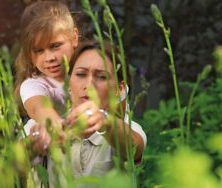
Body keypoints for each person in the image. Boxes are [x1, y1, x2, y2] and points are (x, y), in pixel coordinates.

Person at [29, 40, 147, 180]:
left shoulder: (126, 127)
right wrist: (32, 144)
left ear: (119, 89)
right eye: (81, 74)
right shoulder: (44, 122)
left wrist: (105, 121)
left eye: (102, 76)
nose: (89, 85)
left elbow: (133, 147)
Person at [14, 0, 79, 132]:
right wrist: (55, 124)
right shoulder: (34, 85)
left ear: (75, 37)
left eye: (55, 46)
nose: (49, 58)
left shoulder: (90, 71)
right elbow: (39, 108)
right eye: (39, 50)